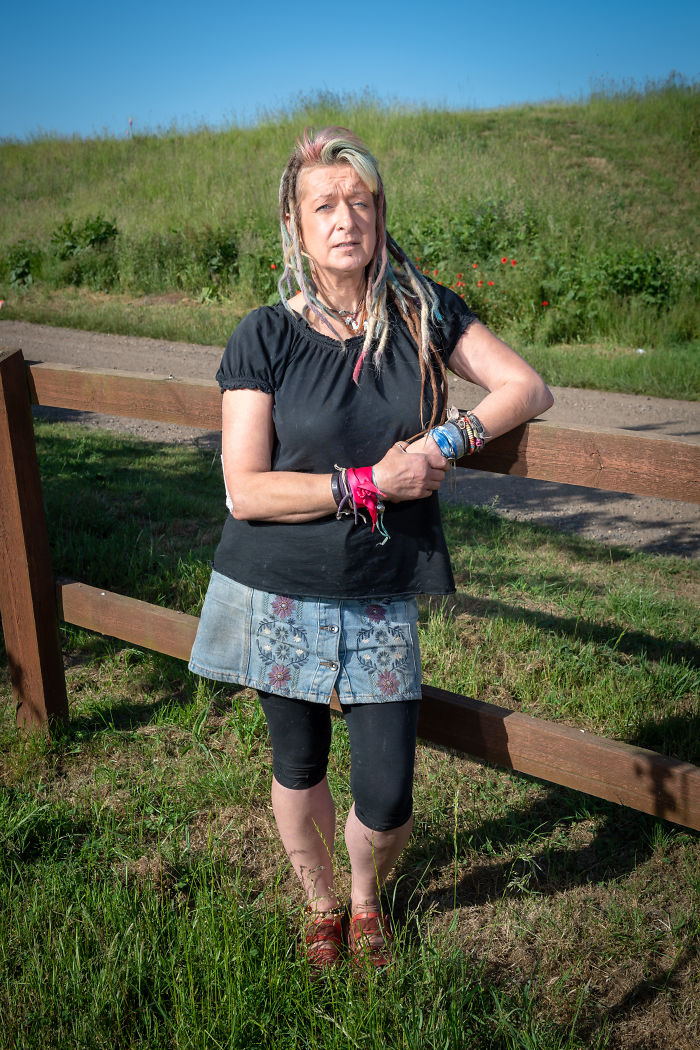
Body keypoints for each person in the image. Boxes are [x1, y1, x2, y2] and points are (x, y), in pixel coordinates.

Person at [189, 127, 553, 971]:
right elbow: (245, 489)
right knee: (297, 761)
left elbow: (525, 387)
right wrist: (363, 483)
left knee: (388, 799)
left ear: (381, 214)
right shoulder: (264, 337)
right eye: (325, 205)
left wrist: (442, 444)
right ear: (296, 223)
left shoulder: (423, 314)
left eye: (360, 201)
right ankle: (326, 907)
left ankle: (366, 894)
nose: (345, 218)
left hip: (382, 585)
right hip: (278, 583)